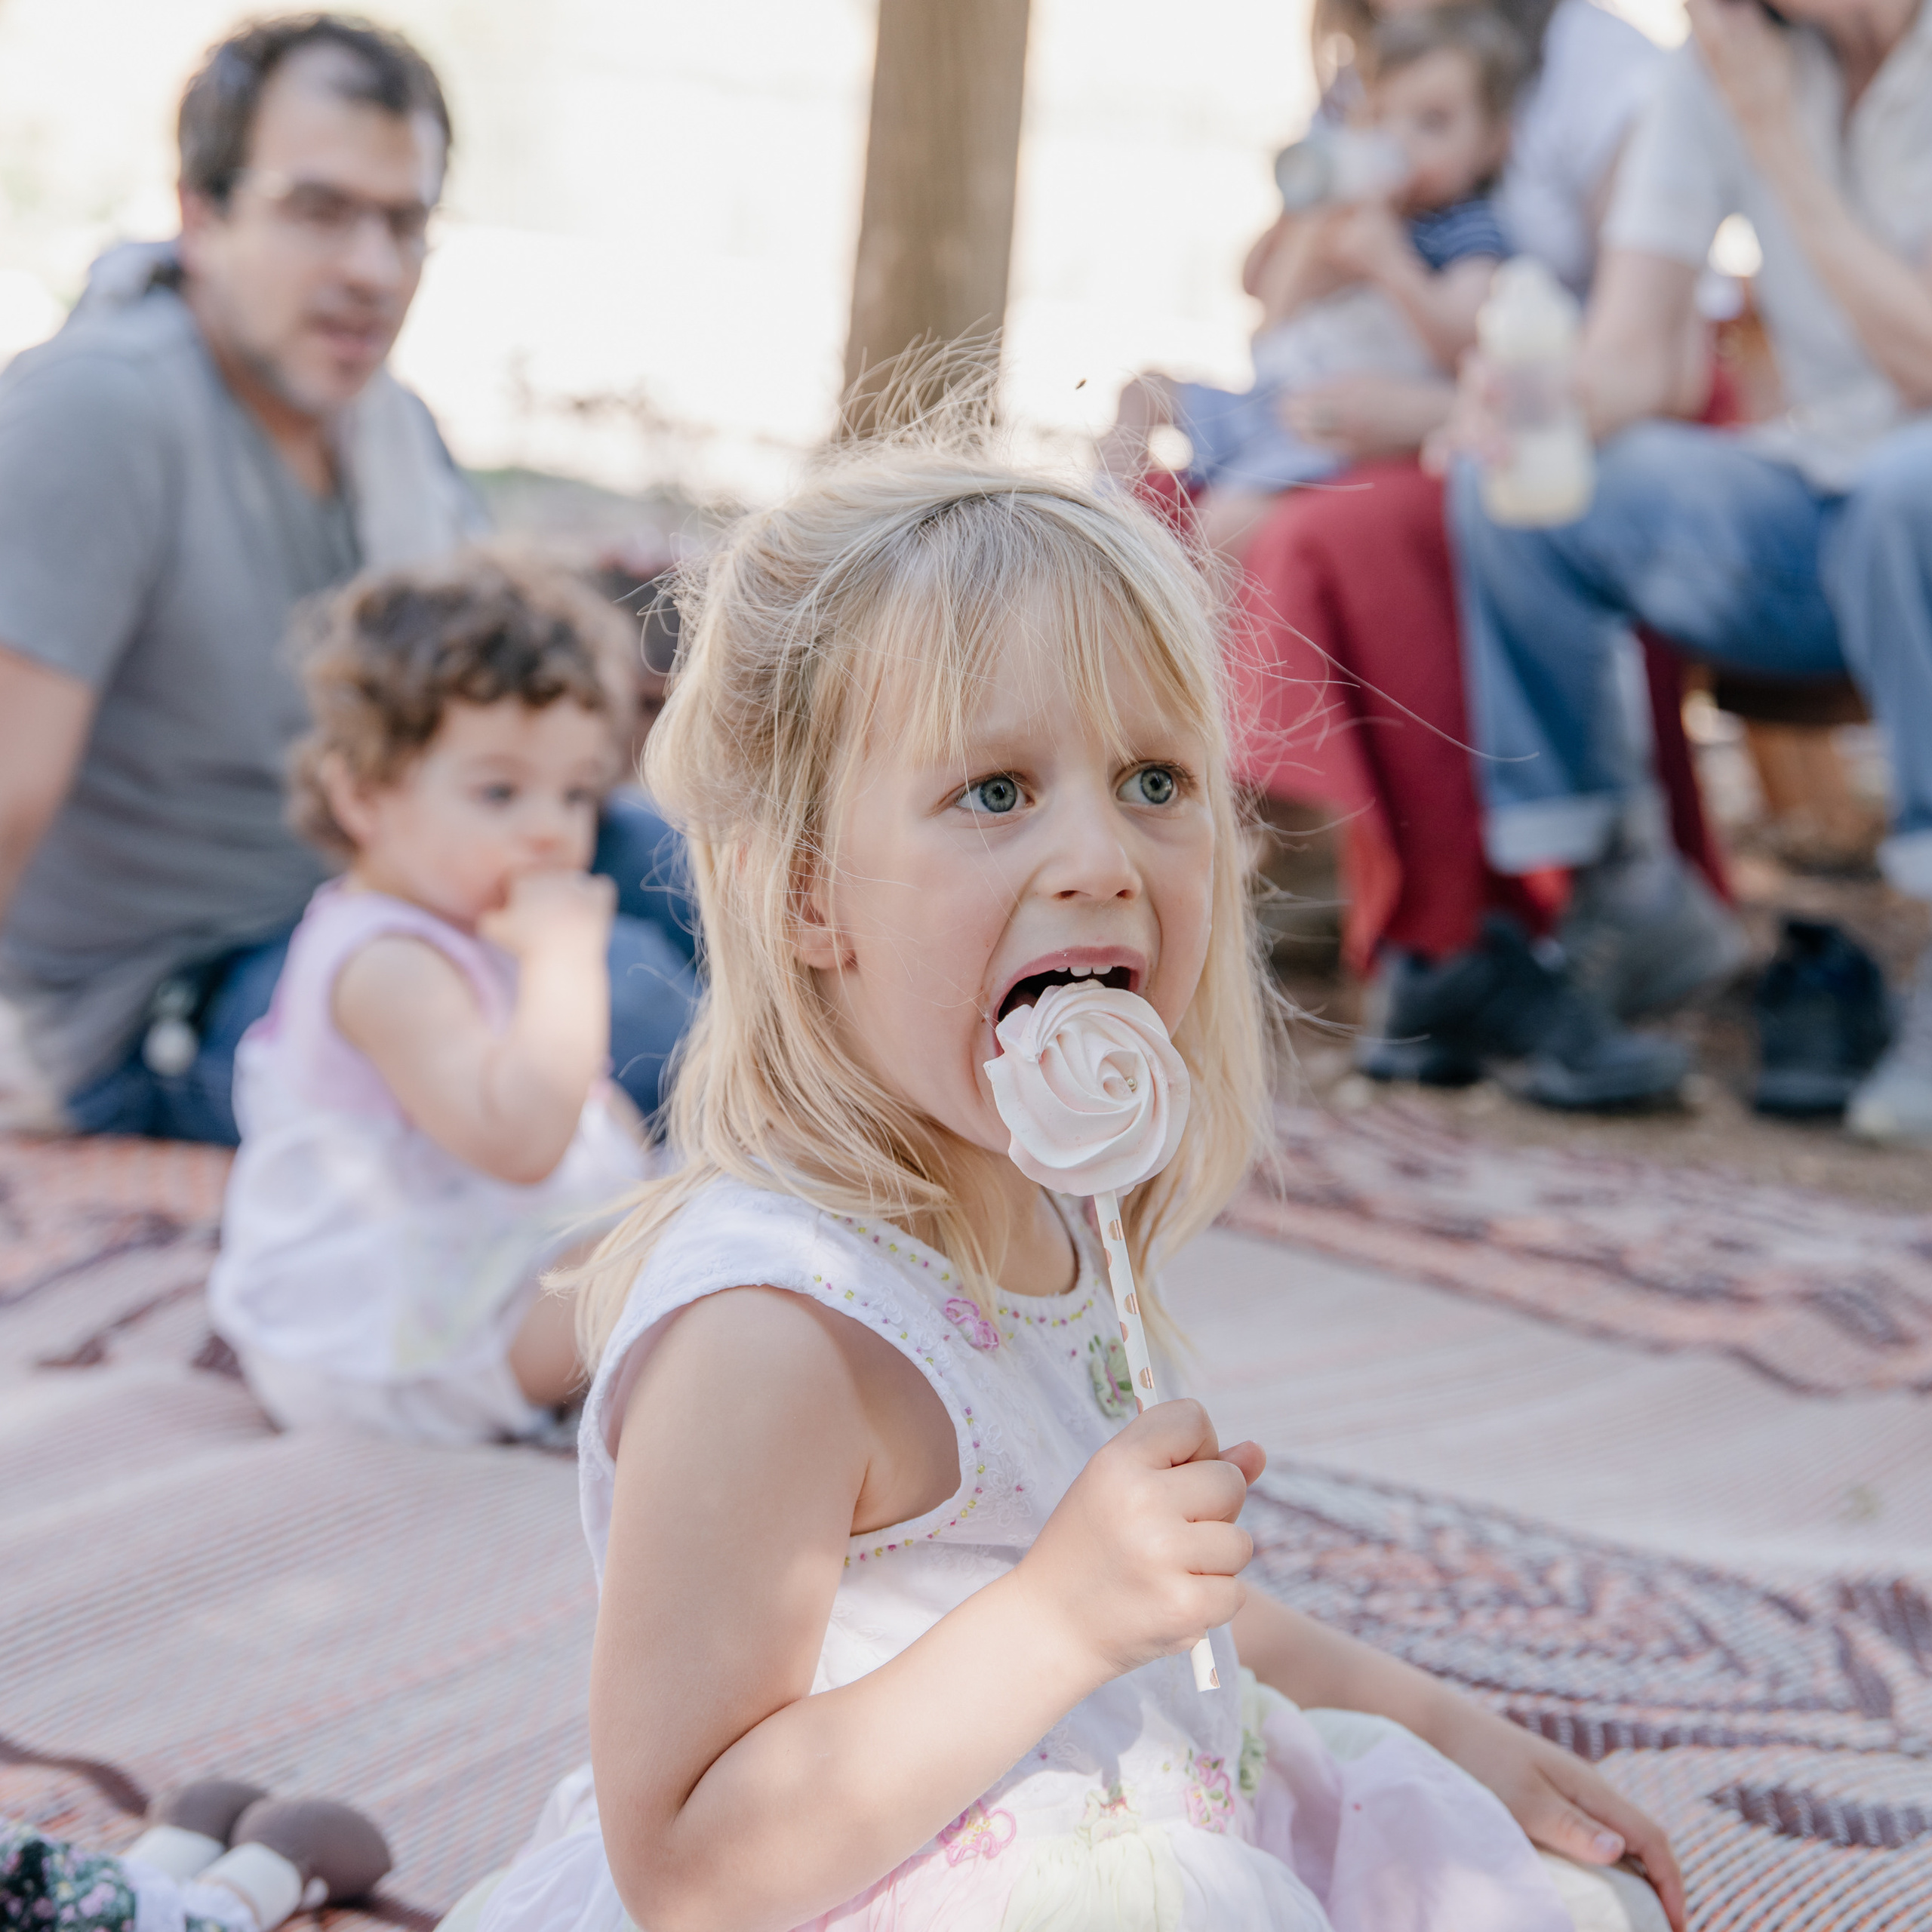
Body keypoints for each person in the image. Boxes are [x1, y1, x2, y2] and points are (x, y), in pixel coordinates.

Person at [472, 445, 1684, 1932]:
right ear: (805, 888)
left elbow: (1187, 1611)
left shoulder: (1051, 1221)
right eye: (993, 789)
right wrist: (1056, 1613)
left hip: (1125, 1797)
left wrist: (1455, 1729)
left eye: (1154, 780)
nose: (1101, 856)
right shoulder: (771, 1332)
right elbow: (688, 1858)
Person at [0, 14, 697, 1144]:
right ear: (201, 212)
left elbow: (486, 691)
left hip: (409, 853)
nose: (372, 270)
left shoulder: (383, 425)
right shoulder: (101, 410)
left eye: (404, 223)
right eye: (319, 211)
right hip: (185, 986)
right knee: (635, 1010)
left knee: (728, 880)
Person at [1217, 0, 1735, 1108]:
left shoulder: (1611, 83)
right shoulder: (1378, 73)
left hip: (1557, 428)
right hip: (1372, 415)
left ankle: (1446, 931)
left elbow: (1650, 357)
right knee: (1152, 508)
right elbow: (1267, 292)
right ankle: (1216, 876)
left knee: (1327, 534)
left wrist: (1425, 405)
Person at [1447, 0, 1932, 1141]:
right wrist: (1543, 403)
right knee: (1523, 486)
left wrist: (1777, 142)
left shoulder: (1766, 88)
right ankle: (1634, 894)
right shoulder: (1718, 66)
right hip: (1818, 509)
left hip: (1909, 509)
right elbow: (1639, 356)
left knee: (1907, 491)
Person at [207, 554, 652, 1445]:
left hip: (472, 1270)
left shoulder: (457, 920)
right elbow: (522, 1142)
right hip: (387, 1341)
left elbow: (574, 1109)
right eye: (499, 790)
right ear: (364, 795)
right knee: (684, 1260)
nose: (550, 828)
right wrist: (568, 963)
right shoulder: (387, 964)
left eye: (575, 792)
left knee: (687, 1210)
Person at [1103, 6, 1523, 561]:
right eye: (1380, 118)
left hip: (1337, 429)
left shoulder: (1463, 230)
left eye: (1433, 123)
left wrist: (1392, 265)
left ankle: (1196, 641)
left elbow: (1465, 338)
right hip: (1270, 396)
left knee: (1224, 524)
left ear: (1493, 143)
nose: (1400, 141)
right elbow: (1253, 283)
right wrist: (1297, 218)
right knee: (1143, 392)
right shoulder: (1346, 208)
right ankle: (1096, 530)